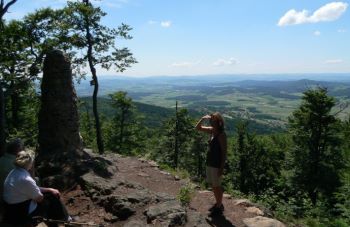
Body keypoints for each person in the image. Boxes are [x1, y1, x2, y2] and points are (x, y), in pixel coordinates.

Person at [2, 150, 71, 226]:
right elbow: (39, 198)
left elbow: (33, 188)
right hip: (21, 213)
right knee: (52, 198)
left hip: (11, 209)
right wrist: (50, 191)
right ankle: (66, 220)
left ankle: (62, 220)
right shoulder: (25, 179)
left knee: (50, 194)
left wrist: (50, 189)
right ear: (30, 163)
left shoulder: (14, 172)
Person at [195, 112, 227, 216]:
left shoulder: (221, 135)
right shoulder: (211, 131)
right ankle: (218, 204)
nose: (212, 122)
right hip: (210, 162)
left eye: (214, 120)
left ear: (219, 122)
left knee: (217, 186)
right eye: (211, 120)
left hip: (216, 164)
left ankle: (219, 207)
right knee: (213, 185)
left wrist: (222, 167)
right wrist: (203, 118)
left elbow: (224, 152)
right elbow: (197, 128)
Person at [0, 138, 24, 215]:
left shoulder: (1, 160)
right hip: (12, 200)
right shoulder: (17, 165)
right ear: (18, 150)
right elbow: (28, 183)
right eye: (22, 148)